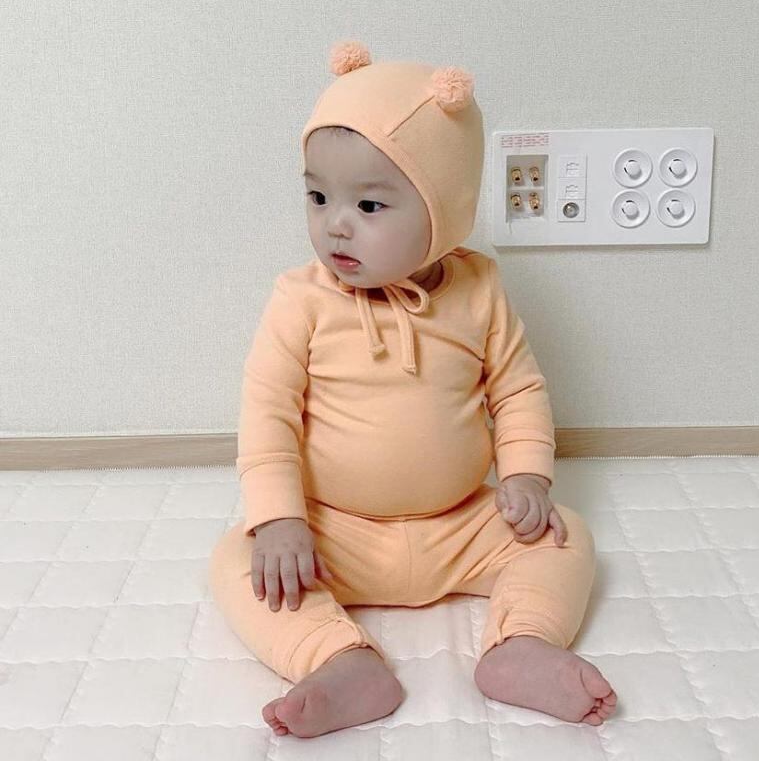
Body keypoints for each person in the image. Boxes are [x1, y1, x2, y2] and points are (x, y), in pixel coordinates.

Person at [208, 40, 617, 739]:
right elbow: (268, 412)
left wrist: (527, 476)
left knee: (565, 535)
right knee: (238, 560)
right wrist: (279, 519)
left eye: (369, 204)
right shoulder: (300, 300)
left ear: (443, 213)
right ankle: (336, 659)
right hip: (336, 531)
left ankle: (522, 643)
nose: (335, 223)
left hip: (460, 525)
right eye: (317, 196)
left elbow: (517, 389)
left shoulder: (478, 290)